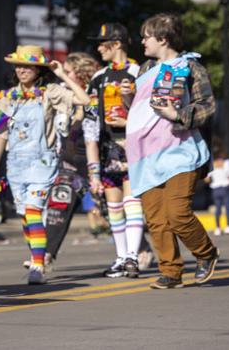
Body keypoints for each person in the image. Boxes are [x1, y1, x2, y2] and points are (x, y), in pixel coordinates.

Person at [125, 13, 218, 289]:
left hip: (180, 150)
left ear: (163, 39)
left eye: (146, 37)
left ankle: (206, 253)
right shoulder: (144, 70)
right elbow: (141, 110)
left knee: (177, 212)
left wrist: (177, 114)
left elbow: (207, 106)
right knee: (156, 218)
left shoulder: (190, 67)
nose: (142, 41)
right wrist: (127, 96)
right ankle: (171, 271)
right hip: (145, 154)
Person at [0, 45, 90, 284]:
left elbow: (83, 99)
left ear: (38, 69)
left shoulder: (51, 92)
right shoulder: (7, 97)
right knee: (26, 215)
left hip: (42, 162)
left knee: (34, 211)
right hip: (15, 165)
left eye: (28, 66)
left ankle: (37, 266)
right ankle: (38, 257)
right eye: (19, 66)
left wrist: (62, 74)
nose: (22, 70)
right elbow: (0, 135)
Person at [84, 23, 145, 279]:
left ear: (117, 44)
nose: (98, 48)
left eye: (102, 43)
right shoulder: (98, 78)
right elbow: (89, 126)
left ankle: (133, 256)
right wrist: (93, 172)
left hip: (136, 147)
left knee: (133, 203)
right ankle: (121, 258)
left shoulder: (140, 72)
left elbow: (151, 116)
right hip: (108, 150)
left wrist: (128, 119)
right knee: (114, 207)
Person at [44, 52, 101, 265]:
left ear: (81, 73)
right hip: (70, 162)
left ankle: (140, 250)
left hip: (96, 161)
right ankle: (45, 255)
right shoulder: (64, 95)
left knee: (108, 209)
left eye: (68, 72)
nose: (62, 76)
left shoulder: (93, 95)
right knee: (59, 205)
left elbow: (91, 136)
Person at [207, 143, 229, 236]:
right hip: (225, 187)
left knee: (218, 208)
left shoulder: (212, 164)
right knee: (228, 208)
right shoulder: (227, 162)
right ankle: (228, 226)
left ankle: (218, 228)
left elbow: (207, 179)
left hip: (215, 188)